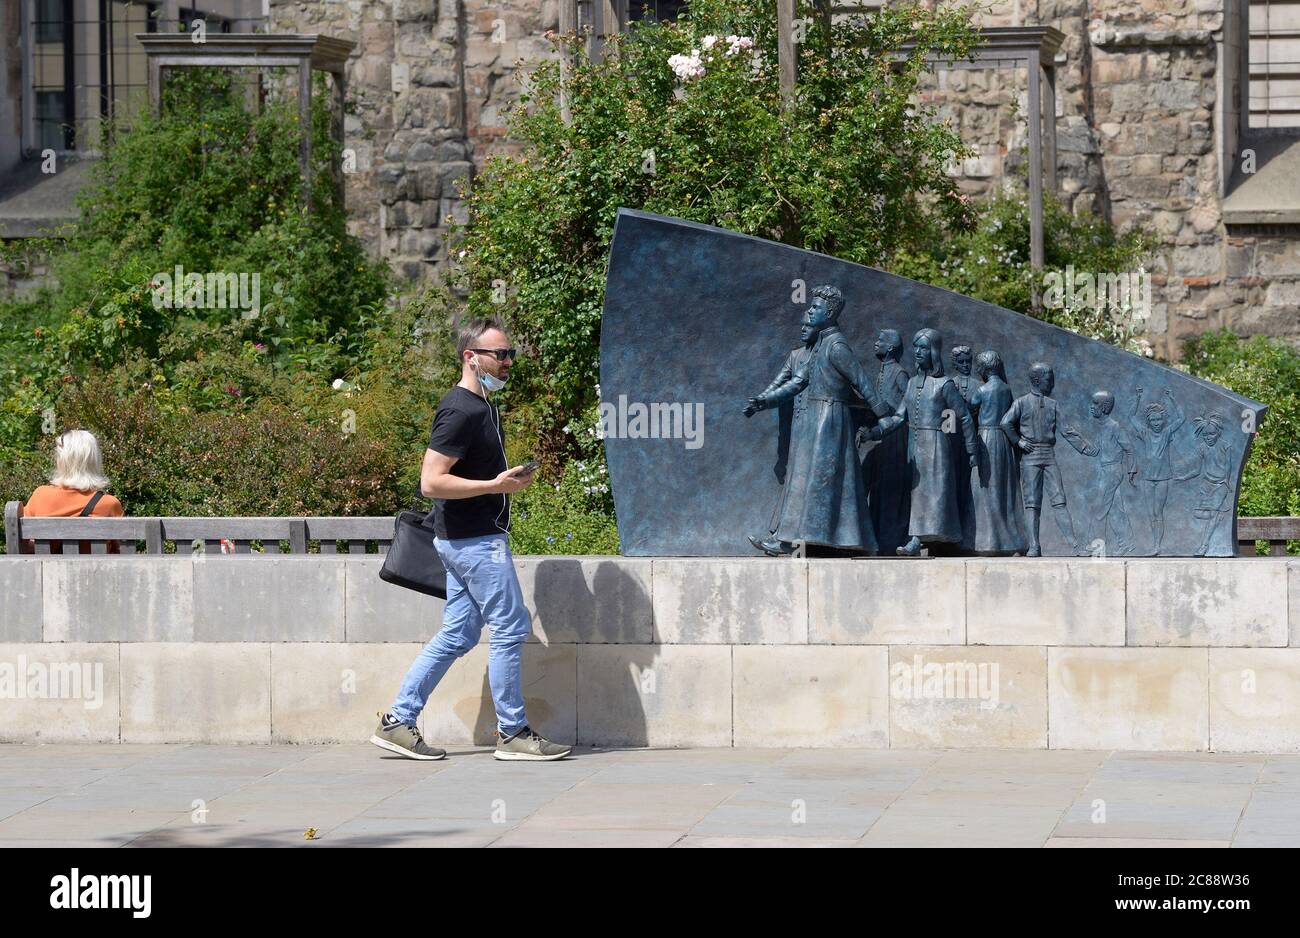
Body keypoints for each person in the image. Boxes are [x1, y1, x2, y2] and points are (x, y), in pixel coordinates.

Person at [372, 317, 572, 762]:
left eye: (509, 354)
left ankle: (398, 720)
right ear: (470, 357)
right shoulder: (460, 410)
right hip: (475, 543)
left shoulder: (484, 407)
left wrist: (503, 483)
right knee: (510, 627)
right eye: (499, 354)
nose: (507, 361)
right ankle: (512, 733)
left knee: (459, 633)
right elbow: (431, 481)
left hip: (467, 540)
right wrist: (493, 486)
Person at [743, 285, 893, 555]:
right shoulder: (819, 345)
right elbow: (798, 382)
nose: (810, 311)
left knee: (822, 484)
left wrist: (883, 414)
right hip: (815, 420)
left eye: (815, 307)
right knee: (804, 482)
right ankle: (790, 540)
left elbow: (861, 381)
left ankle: (808, 542)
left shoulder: (837, 346)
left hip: (830, 420)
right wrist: (765, 402)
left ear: (830, 312)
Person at [868, 328, 977, 557]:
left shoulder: (945, 384)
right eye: (916, 347)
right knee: (918, 495)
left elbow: (964, 417)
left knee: (937, 495)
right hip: (915, 447)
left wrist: (971, 449)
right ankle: (927, 539)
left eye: (923, 348)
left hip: (937, 445)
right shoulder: (911, 382)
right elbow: (899, 417)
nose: (918, 351)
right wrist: (874, 432)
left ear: (934, 352)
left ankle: (922, 540)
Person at [21, 429, 125, 554]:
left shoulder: (41, 495)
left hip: (47, 567)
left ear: (62, 461)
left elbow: (24, 546)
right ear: (95, 460)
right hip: (95, 567)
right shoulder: (109, 504)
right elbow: (120, 551)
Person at [967, 350, 1026, 555]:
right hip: (1003, 441)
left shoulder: (982, 390)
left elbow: (968, 408)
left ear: (984, 368)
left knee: (983, 488)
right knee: (1003, 488)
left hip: (986, 438)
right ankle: (1008, 540)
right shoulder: (1006, 389)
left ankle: (987, 540)